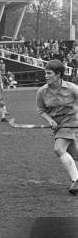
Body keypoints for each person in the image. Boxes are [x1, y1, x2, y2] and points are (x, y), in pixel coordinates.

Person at [36, 60, 78, 194]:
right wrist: (50, 121)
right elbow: (41, 110)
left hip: (71, 120)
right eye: (45, 73)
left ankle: (76, 180)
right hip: (57, 124)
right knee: (75, 154)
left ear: (58, 74)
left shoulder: (72, 88)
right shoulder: (41, 91)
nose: (46, 76)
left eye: (49, 73)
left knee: (59, 149)